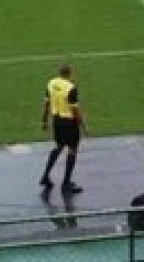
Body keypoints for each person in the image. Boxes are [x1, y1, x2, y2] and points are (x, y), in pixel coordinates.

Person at [40, 63, 86, 194]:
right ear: (70, 73)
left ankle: (45, 175)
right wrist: (84, 126)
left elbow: (46, 103)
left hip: (57, 121)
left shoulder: (51, 83)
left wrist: (44, 121)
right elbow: (75, 110)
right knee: (72, 149)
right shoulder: (71, 88)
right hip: (69, 122)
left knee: (59, 146)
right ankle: (66, 183)